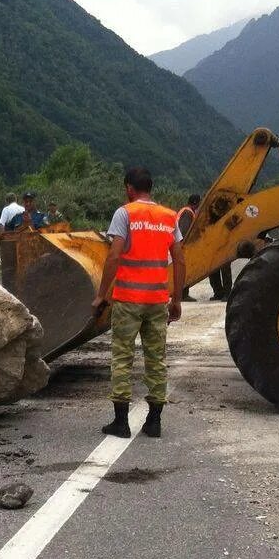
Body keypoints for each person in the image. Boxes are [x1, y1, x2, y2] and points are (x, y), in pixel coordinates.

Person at [91, 166, 186, 439]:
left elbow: (113, 256)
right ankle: (154, 422)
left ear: (129, 189)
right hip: (157, 301)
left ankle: (121, 423)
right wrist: (176, 299)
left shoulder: (125, 213)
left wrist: (101, 294)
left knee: (122, 357)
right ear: (150, 187)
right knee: (156, 359)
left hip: (128, 300)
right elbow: (179, 260)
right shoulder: (169, 217)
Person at [176, 194, 199, 301]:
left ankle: (182, 293)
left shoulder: (185, 211)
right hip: (182, 246)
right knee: (184, 270)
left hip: (179, 245)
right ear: (195, 203)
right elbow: (184, 230)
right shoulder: (187, 213)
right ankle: (183, 294)